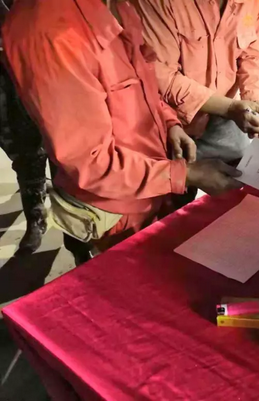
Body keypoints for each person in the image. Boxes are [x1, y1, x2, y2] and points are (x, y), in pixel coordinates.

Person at [2, 0, 242, 258]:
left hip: (153, 185)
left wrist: (169, 122)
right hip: (116, 209)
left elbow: (141, 78)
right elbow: (90, 162)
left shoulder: (115, 6)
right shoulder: (50, 34)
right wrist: (186, 174)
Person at [131, 0, 259, 164]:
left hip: (227, 117)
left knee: (242, 173)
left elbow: (254, 55)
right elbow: (160, 75)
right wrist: (230, 108)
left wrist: (256, 103)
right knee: (174, 176)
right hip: (169, 123)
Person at [0, 0, 48, 255]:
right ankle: (36, 215)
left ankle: (77, 236)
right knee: (22, 151)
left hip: (36, 62)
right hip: (7, 74)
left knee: (62, 153)